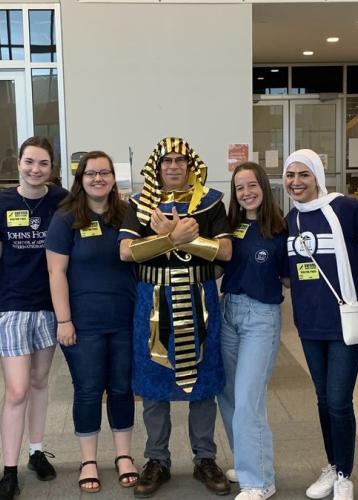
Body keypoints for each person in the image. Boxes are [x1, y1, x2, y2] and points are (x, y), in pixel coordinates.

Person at [118, 137, 233, 498]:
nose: (172, 166)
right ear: (156, 167)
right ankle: (156, 460)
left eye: (179, 160)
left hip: (201, 300)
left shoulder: (211, 202)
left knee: (204, 381)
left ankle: (205, 458)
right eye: (166, 160)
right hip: (151, 301)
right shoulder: (138, 204)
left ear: (190, 165)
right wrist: (170, 238)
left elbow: (226, 251)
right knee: (153, 382)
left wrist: (180, 238)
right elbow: (125, 252)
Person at [283, 149, 358, 500]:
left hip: (344, 322)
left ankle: (344, 475)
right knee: (322, 400)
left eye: (303, 175)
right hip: (309, 324)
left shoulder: (344, 208)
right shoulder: (292, 219)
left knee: (338, 400)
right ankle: (333, 464)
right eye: (290, 176)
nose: (296, 182)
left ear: (318, 177)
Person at [45, 151, 139, 493]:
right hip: (82, 323)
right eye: (91, 173)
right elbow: (56, 271)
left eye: (104, 173)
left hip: (125, 318)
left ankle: (124, 455)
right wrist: (63, 320)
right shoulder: (66, 217)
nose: (98, 178)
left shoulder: (128, 214)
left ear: (114, 178)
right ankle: (88, 460)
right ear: (80, 179)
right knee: (87, 391)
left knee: (121, 388)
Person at [0, 137, 69, 500]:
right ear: (18, 162)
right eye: (29, 162)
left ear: (53, 167)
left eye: (44, 163)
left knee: (38, 381)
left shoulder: (62, 200)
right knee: (16, 390)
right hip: (12, 304)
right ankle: (8, 469)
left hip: (49, 305)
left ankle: (36, 451)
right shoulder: (0, 203)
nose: (36, 169)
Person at [217, 162, 288, 500]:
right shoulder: (229, 226)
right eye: (239, 188)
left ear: (264, 186)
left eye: (251, 185)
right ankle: (248, 463)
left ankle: (259, 482)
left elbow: (291, 277)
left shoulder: (281, 228)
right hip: (228, 310)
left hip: (261, 317)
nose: (246, 192)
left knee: (248, 399)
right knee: (228, 395)